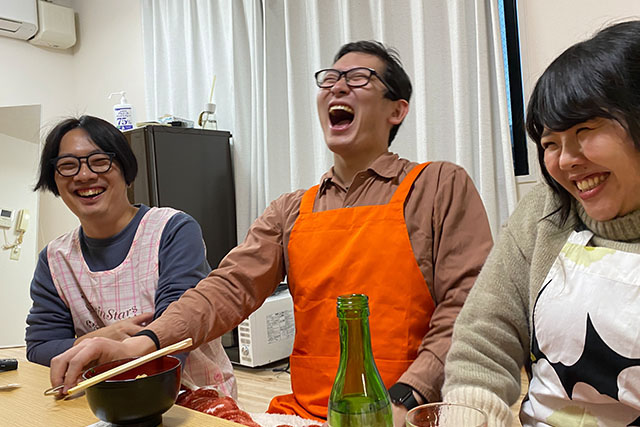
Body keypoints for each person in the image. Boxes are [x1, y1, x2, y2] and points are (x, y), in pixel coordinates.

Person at [50, 41, 492, 425]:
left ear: (397, 110)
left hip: (411, 411)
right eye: (329, 79)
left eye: (358, 78)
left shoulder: (439, 185)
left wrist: (405, 396)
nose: (337, 87)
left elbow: (469, 307)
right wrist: (144, 345)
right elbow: (227, 289)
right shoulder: (290, 209)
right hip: (307, 413)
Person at [442, 20, 640, 426]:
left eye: (585, 130)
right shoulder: (546, 210)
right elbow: (484, 337)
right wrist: (469, 414)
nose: (565, 160)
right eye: (550, 143)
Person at [26, 115, 237, 397]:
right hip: (103, 399)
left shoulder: (172, 230)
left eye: (99, 161)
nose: (84, 175)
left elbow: (178, 331)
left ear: (126, 170)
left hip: (193, 394)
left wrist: (98, 346)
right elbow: (40, 348)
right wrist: (102, 337)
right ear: (53, 179)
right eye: (67, 165)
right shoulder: (54, 259)